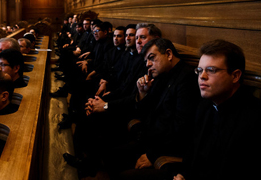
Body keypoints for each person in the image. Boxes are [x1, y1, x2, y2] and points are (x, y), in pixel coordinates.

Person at [87, 38, 200, 179]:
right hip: (148, 136)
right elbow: (143, 111)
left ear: (169, 54)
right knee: (107, 148)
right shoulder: (161, 74)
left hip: (163, 146)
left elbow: (181, 129)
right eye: (146, 60)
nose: (148, 65)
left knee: (117, 163)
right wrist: (142, 93)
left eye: (151, 58)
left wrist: (152, 155)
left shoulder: (187, 79)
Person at [173, 40, 261, 180]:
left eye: (211, 70)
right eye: (200, 70)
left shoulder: (254, 117)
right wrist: (183, 174)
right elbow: (193, 151)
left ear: (235, 76)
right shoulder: (205, 105)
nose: (202, 76)